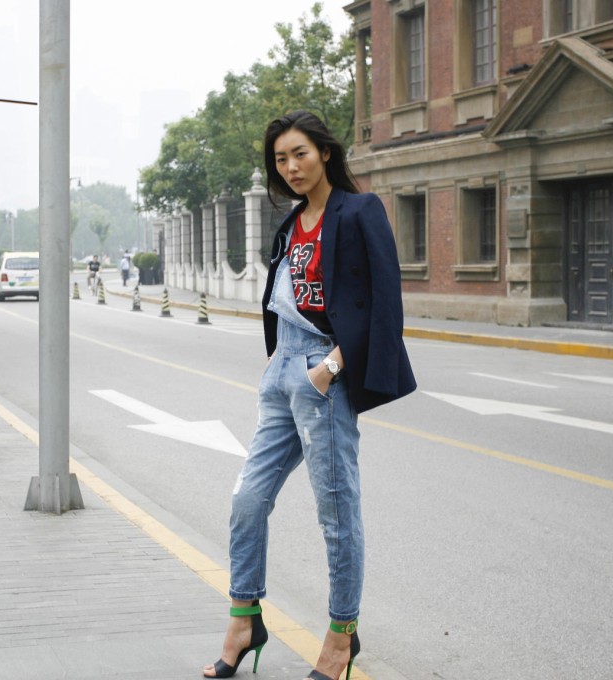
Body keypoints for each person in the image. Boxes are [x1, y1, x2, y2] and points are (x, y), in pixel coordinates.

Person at [203, 111, 416, 680]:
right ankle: (245, 618)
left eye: (299, 153)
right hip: (283, 373)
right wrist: (279, 362)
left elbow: (384, 299)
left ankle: (341, 635)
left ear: (324, 151)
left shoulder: (359, 210)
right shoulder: (292, 219)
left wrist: (332, 366)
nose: (290, 167)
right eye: (280, 159)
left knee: (336, 511)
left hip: (324, 370)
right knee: (247, 499)